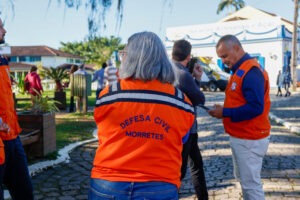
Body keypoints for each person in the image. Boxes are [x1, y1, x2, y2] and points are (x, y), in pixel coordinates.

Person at [88, 31, 195, 200]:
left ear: (129, 58)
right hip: (160, 184)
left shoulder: (108, 95)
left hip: (108, 183)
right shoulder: (182, 102)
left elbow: (102, 132)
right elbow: (181, 138)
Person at [208, 35, 271, 200]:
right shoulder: (240, 70)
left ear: (236, 48)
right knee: (245, 181)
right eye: (221, 57)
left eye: (225, 56)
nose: (223, 61)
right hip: (242, 136)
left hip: (250, 137)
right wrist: (224, 110)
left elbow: (256, 107)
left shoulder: (251, 71)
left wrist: (225, 113)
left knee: (251, 185)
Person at [0, 17, 34, 200]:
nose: (5, 31)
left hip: (13, 138)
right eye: (0, 27)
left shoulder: (2, 60)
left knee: (25, 192)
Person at [172, 40, 208, 200]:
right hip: (187, 128)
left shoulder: (166, 69)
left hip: (172, 125)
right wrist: (197, 79)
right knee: (183, 170)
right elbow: (199, 98)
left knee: (196, 165)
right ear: (188, 56)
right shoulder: (183, 74)